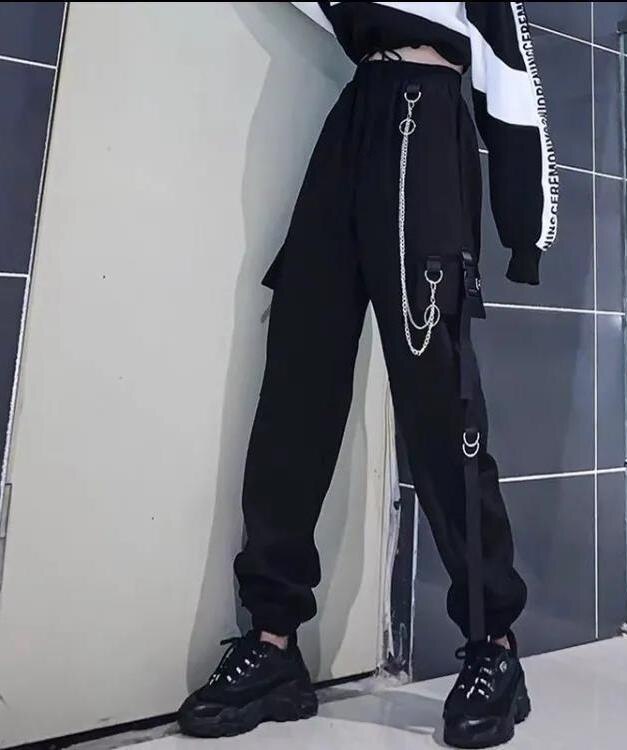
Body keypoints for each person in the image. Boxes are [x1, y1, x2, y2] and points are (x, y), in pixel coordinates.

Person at [177, 2, 557, 747]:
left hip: (427, 116)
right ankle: (273, 641)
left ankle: (494, 645)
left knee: (439, 400)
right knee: (297, 382)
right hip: (354, 117)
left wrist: (525, 222)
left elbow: (507, 54)